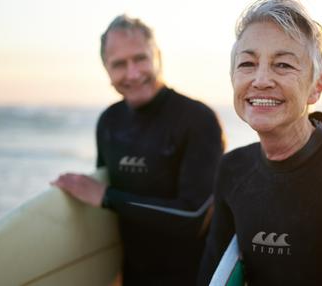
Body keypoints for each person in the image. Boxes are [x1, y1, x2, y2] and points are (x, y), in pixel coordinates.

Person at [198, 0, 322, 285]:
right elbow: (212, 278)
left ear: (316, 87)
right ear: (233, 79)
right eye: (247, 64)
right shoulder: (233, 169)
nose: (261, 80)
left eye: (283, 65)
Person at [52, 15, 224, 285]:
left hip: (192, 278)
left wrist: (107, 197)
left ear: (158, 57)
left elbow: (194, 216)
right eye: (119, 64)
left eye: (140, 58)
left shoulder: (197, 120)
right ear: (107, 71)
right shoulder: (109, 122)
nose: (132, 73)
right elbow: (109, 223)